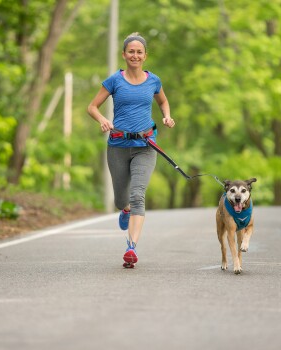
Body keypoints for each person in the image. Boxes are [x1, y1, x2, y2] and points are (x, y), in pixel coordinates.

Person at [87, 32, 175, 268]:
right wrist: (102, 120)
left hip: (145, 146)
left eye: (139, 52)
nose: (135, 55)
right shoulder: (114, 81)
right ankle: (124, 209)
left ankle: (131, 248)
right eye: (131, 51)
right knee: (121, 199)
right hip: (118, 146)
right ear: (124, 54)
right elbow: (92, 106)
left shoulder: (154, 80)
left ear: (145, 55)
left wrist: (166, 116)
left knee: (138, 195)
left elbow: (163, 101)